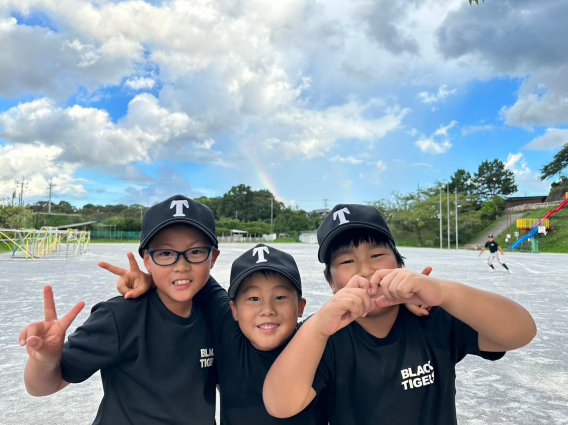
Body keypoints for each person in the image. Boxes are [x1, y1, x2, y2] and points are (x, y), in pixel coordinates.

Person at [263, 204, 536, 425]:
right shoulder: (322, 336)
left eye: (378, 254)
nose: (365, 270)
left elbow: (520, 333)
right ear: (330, 281)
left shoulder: (433, 316)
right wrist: (318, 328)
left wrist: (444, 293)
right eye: (347, 261)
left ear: (400, 263)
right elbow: (280, 405)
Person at [19, 195, 220, 425]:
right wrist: (44, 361)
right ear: (146, 260)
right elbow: (44, 386)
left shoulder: (215, 315)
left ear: (212, 258)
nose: (181, 266)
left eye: (195, 252)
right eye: (165, 253)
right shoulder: (119, 316)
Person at [110, 244, 328, 425]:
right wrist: (152, 281)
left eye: (280, 297)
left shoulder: (318, 343)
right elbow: (190, 280)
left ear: (300, 307)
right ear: (234, 310)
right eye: (253, 298)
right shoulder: (228, 329)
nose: (267, 309)